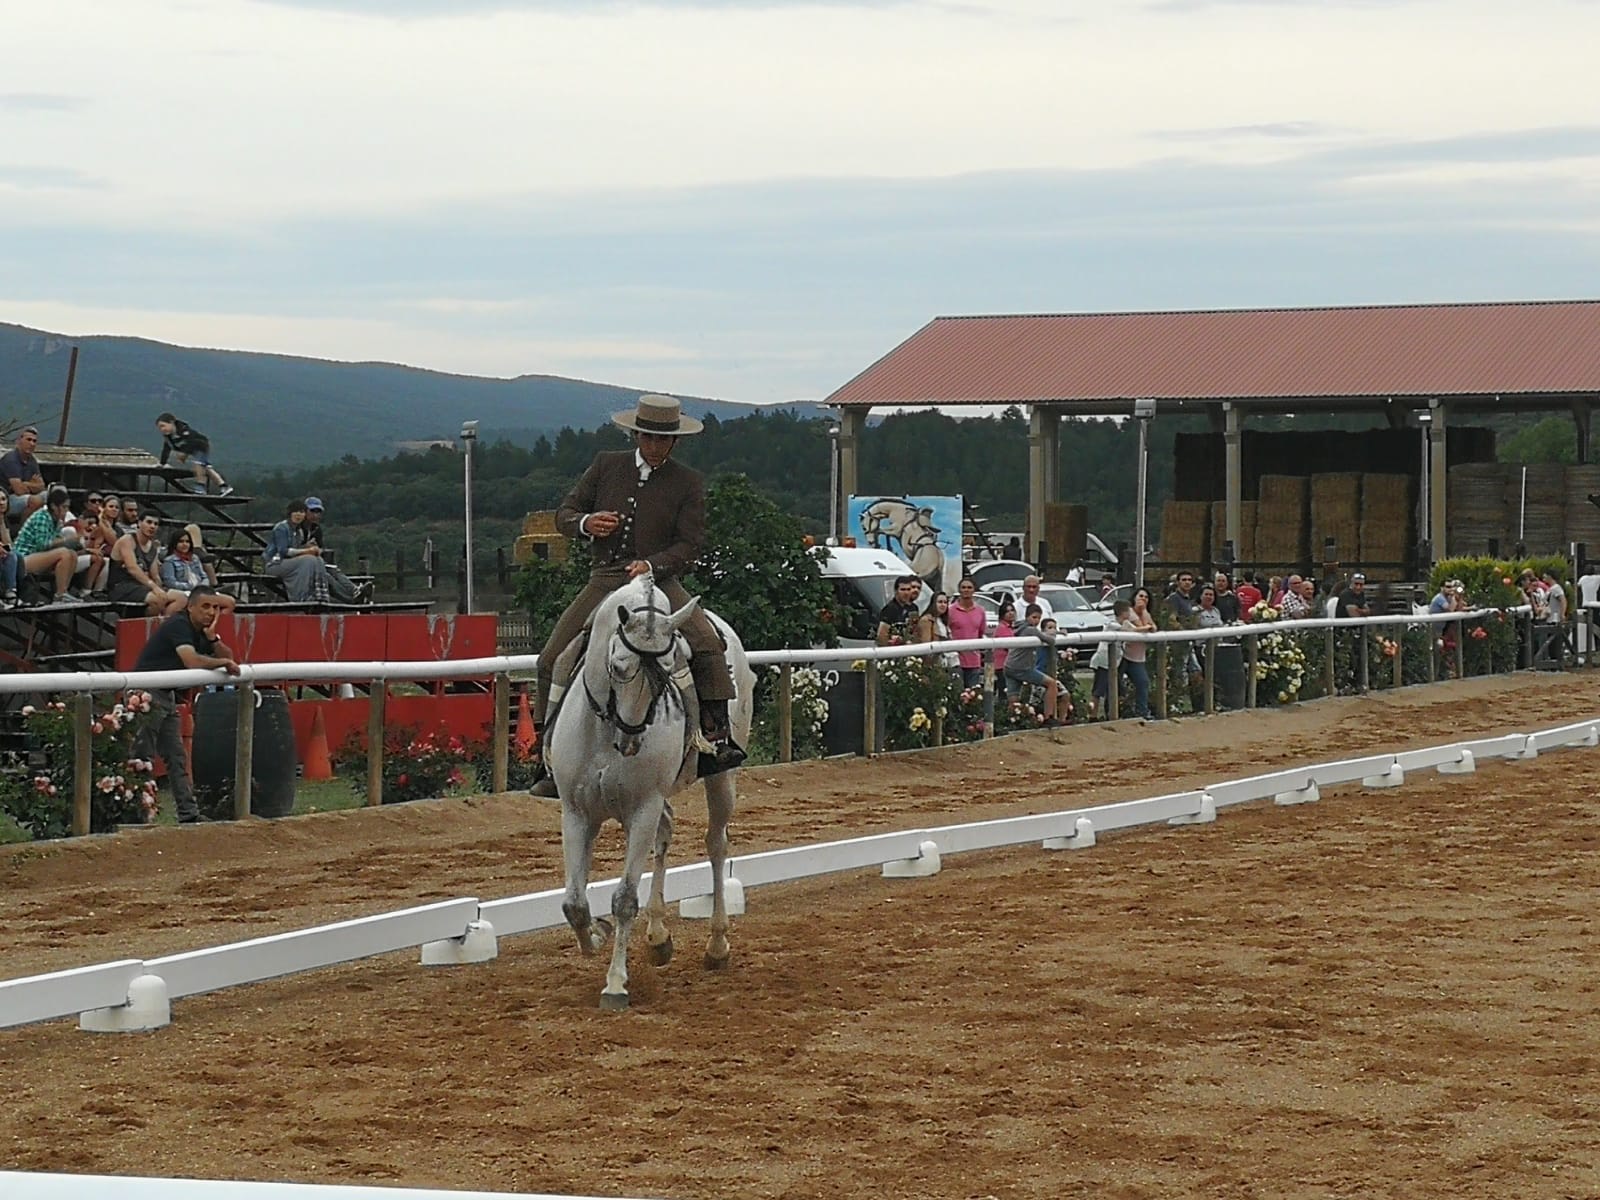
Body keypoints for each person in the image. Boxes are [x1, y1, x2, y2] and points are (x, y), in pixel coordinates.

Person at [530, 394, 743, 796]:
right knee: (551, 657)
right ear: (635, 435)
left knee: (706, 641)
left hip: (659, 581)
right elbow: (565, 514)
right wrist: (587, 523)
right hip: (606, 578)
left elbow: (690, 544)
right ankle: (546, 754)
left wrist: (652, 565)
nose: (655, 446)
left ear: (674, 441)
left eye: (663, 439)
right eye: (648, 437)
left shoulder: (687, 482)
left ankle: (716, 738)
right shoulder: (606, 465)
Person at [131, 585, 241, 824]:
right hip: (146, 693)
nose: (211, 612)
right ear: (190, 607)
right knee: (142, 757)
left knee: (177, 758)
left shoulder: (200, 631)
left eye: (215, 608)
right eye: (205, 606)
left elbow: (230, 658)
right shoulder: (178, 625)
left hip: (165, 694)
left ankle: (188, 814)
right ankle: (137, 817)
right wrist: (221, 662)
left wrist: (213, 638)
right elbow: (192, 661)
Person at [12, 485, 87, 604]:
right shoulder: (42, 517)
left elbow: (54, 543)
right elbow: (42, 545)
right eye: (64, 507)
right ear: (53, 506)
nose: (66, 510)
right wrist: (66, 540)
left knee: (72, 554)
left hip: (39, 556)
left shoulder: (57, 521)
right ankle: (59, 595)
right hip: (22, 559)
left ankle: (63, 591)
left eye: (67, 507)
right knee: (64, 553)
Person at [109, 511, 187, 616]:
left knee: (181, 598)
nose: (152, 526)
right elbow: (132, 568)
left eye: (155, 524)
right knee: (157, 600)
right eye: (149, 522)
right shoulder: (127, 540)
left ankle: (165, 623)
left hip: (142, 586)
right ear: (139, 523)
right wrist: (154, 587)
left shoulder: (152, 547)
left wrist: (159, 588)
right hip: (121, 587)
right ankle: (150, 624)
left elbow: (155, 576)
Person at [1002, 603, 1063, 723]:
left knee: (1013, 698)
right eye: (1034, 617)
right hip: (1022, 668)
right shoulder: (1031, 630)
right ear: (1027, 617)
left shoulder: (1019, 628)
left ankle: (1010, 722)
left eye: (1039, 618)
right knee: (1051, 684)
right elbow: (1049, 640)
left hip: (1009, 666)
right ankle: (1048, 717)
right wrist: (1056, 633)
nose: (1036, 621)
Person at [300, 496, 368, 603]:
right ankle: (350, 600)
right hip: (300, 563)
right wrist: (306, 548)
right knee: (326, 576)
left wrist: (317, 549)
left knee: (334, 570)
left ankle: (355, 590)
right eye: (312, 511)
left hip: (315, 561)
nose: (315, 515)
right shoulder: (297, 528)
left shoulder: (317, 529)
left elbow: (320, 549)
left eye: (318, 512)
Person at [263, 500, 331, 602]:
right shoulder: (281, 528)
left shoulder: (298, 530)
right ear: (290, 513)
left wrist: (311, 549)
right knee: (308, 560)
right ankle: (301, 597)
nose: (298, 515)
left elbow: (297, 549)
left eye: (301, 512)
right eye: (295, 512)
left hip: (289, 562)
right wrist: (306, 551)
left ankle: (320, 595)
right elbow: (283, 551)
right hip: (274, 564)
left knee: (318, 560)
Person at [156, 412, 232, 495]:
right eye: (159, 428)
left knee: (199, 464)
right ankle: (223, 485)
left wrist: (184, 453)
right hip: (191, 451)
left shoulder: (184, 431)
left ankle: (200, 487)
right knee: (206, 468)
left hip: (201, 446)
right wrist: (162, 463)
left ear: (171, 423)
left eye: (163, 426)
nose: (162, 429)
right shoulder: (169, 437)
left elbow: (191, 442)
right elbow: (166, 449)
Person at [1116, 595, 1155, 719]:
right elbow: (1140, 628)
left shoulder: (1145, 613)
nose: (1143, 599)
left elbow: (1153, 628)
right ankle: (1113, 713)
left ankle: (1142, 712)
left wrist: (1145, 612)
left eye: (1146, 597)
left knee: (1143, 682)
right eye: (1140, 596)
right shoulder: (1130, 613)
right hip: (1122, 656)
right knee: (1115, 684)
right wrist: (1148, 624)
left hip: (1137, 658)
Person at [947, 575, 988, 688]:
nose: (966, 590)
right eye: (963, 587)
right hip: (956, 661)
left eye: (969, 587)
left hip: (974, 661)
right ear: (959, 590)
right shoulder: (950, 610)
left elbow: (980, 633)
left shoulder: (980, 611)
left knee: (973, 694)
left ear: (974, 590)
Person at [1, 425, 47, 519]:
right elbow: (19, 490)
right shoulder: (11, 459)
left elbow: (41, 486)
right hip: (6, 499)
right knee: (35, 501)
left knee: (51, 495)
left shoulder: (32, 460)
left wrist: (25, 484)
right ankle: (24, 527)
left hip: (25, 496)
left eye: (34, 441)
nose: (32, 443)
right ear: (19, 441)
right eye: (28, 440)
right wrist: (32, 485)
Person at [160, 526, 210, 595]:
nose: (185, 544)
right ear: (175, 543)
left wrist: (202, 587)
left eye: (187, 541)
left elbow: (204, 577)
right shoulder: (169, 561)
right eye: (181, 541)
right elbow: (170, 583)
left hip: (200, 591)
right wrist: (190, 587)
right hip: (182, 593)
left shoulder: (195, 558)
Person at [876, 574, 923, 645]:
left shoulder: (913, 608)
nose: (906, 593)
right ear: (896, 591)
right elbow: (882, 637)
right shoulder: (889, 609)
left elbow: (914, 631)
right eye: (902, 589)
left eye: (908, 589)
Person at [991, 599, 1017, 675]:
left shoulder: (1011, 627)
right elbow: (1010, 647)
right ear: (1002, 615)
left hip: (1009, 665)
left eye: (1012, 610)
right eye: (1007, 611)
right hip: (1002, 666)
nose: (1011, 613)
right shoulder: (1002, 628)